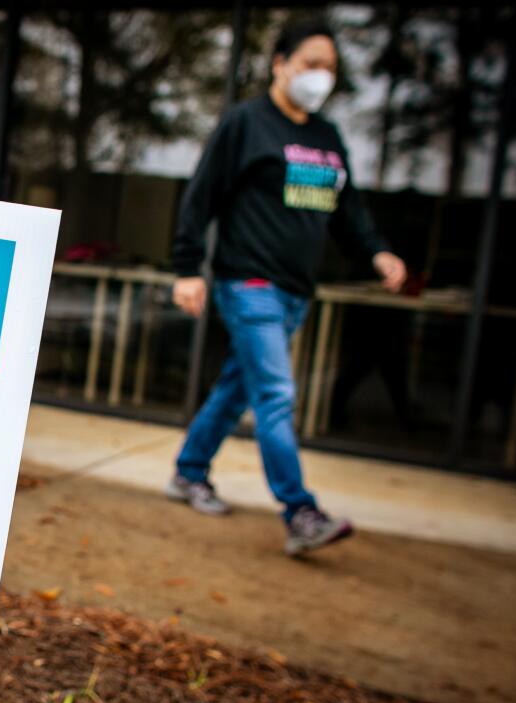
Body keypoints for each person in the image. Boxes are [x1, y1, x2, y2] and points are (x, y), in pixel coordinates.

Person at [164, 18, 407, 557]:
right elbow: (201, 197)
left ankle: (188, 471)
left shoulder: (327, 136)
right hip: (248, 282)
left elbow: (349, 209)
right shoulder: (246, 124)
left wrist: (377, 251)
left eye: (330, 68)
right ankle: (300, 511)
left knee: (238, 389)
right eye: (311, 64)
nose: (321, 76)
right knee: (275, 394)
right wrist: (187, 267)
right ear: (280, 64)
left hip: (296, 290)